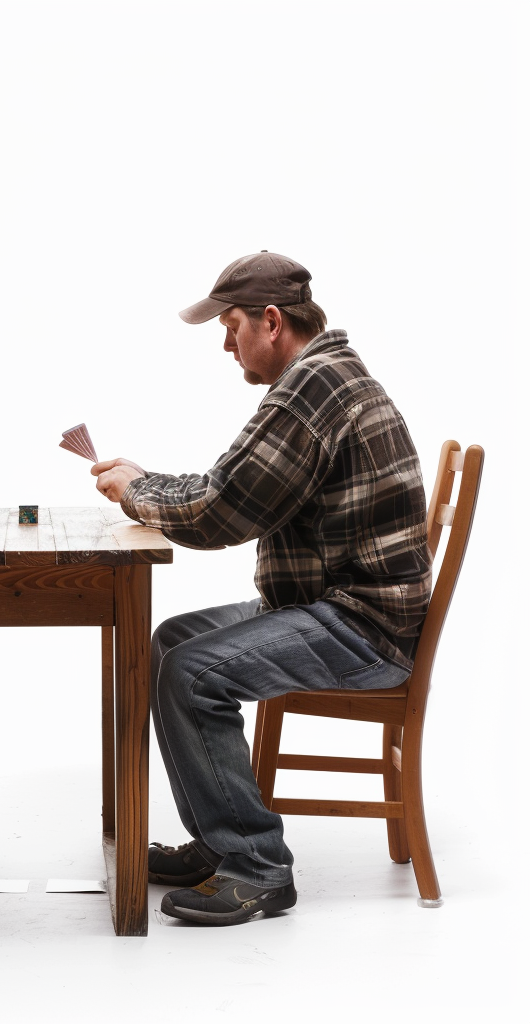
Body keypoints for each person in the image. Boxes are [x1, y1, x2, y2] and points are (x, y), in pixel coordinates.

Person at [92, 252, 430, 925]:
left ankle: (258, 867)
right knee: (173, 641)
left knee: (191, 673)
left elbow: (222, 513)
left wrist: (135, 493)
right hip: (330, 606)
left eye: (233, 325)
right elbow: (231, 484)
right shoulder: (318, 379)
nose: (225, 342)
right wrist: (147, 481)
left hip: (361, 626)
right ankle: (220, 843)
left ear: (272, 322)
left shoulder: (314, 390)